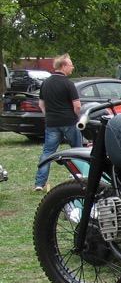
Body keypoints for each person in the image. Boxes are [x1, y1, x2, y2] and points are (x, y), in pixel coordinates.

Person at [33, 55, 82, 192]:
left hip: (52, 123)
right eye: (71, 65)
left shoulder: (46, 83)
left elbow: (41, 104)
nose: (72, 68)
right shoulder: (68, 84)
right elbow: (77, 106)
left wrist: (48, 115)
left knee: (48, 153)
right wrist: (76, 118)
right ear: (63, 67)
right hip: (68, 122)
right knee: (77, 150)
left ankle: (39, 183)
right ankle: (81, 175)